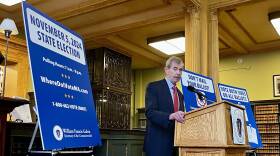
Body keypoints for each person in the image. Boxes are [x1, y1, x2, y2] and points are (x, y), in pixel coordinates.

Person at [144, 56, 185, 156]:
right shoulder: (154, 87)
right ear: (166, 70)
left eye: (181, 70)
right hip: (157, 145)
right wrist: (171, 116)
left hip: (176, 145)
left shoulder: (180, 94)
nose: (178, 73)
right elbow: (150, 112)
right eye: (175, 69)